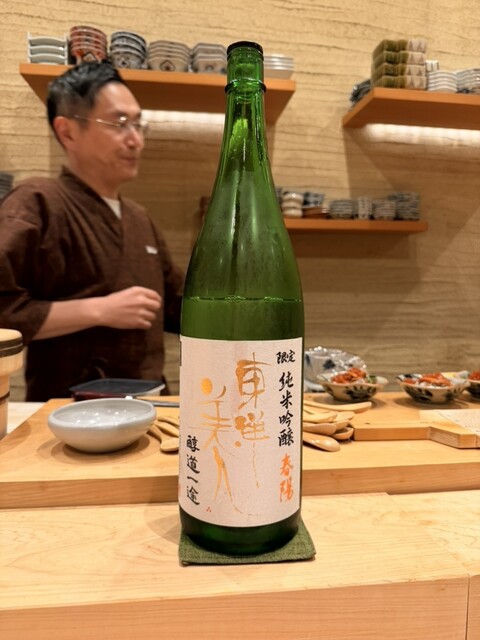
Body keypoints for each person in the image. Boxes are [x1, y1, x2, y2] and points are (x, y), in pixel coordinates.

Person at [0, 62, 184, 401]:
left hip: (151, 406)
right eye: (120, 123)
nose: (136, 140)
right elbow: (4, 310)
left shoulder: (140, 218)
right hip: (66, 414)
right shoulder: (37, 202)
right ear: (68, 131)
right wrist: (100, 310)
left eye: (139, 124)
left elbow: (179, 306)